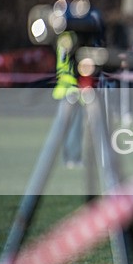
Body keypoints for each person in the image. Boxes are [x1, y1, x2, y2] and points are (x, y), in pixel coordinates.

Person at [52, 31, 83, 168]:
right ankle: (71, 158)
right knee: (72, 127)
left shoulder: (66, 37)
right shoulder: (68, 37)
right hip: (70, 90)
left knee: (71, 128)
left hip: (72, 90)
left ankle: (71, 157)